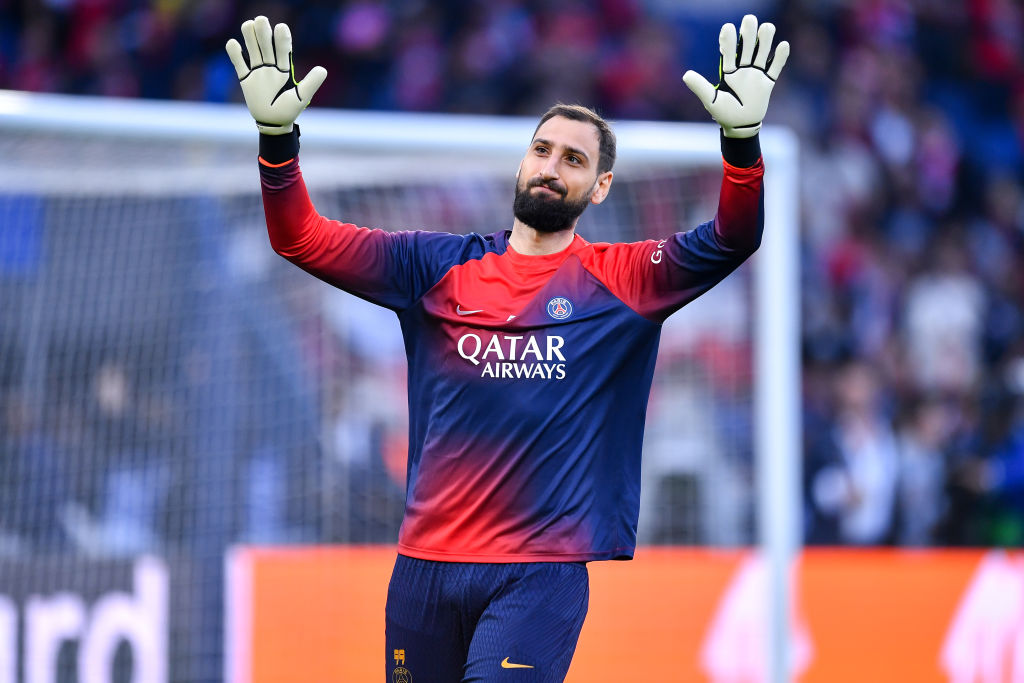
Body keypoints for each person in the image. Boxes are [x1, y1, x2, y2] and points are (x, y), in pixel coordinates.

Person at [227, 13, 788, 682]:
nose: (551, 166)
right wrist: (277, 140)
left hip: (538, 577)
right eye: (542, 150)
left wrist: (741, 144)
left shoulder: (624, 279)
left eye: (574, 159)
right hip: (423, 572)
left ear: (600, 186)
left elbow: (732, 237)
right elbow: (300, 237)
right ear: (522, 162)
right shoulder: (434, 266)